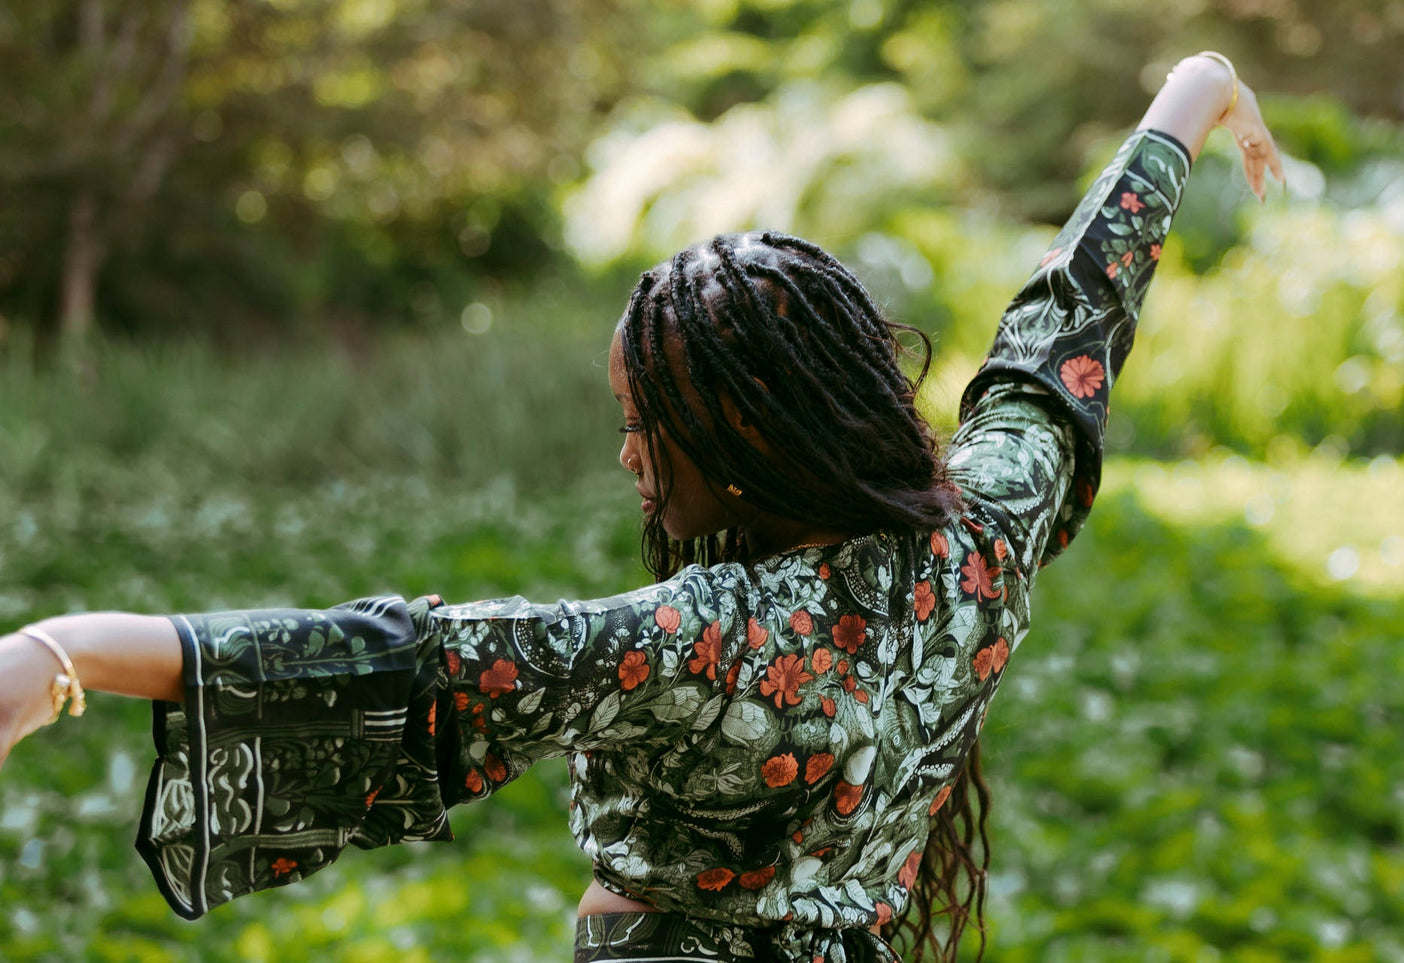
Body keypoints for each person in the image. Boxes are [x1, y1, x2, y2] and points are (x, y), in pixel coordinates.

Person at [0, 52, 1281, 963]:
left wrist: (51, 658)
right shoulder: (981, 533)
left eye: (640, 428)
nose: (626, 462)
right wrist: (1194, 86)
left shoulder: (703, 639)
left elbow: (394, 665)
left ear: (730, 444)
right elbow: (1070, 318)